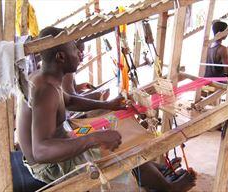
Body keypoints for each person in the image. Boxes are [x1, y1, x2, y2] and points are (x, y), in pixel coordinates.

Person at [17, 26, 195, 191]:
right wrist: (95, 138)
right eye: (74, 49)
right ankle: (168, 188)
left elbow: (69, 101)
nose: (79, 53)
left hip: (59, 146)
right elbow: (41, 151)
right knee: (120, 149)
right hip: (52, 167)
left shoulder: (46, 78)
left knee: (115, 131)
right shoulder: (45, 89)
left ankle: (157, 171)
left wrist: (107, 105)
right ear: (61, 57)